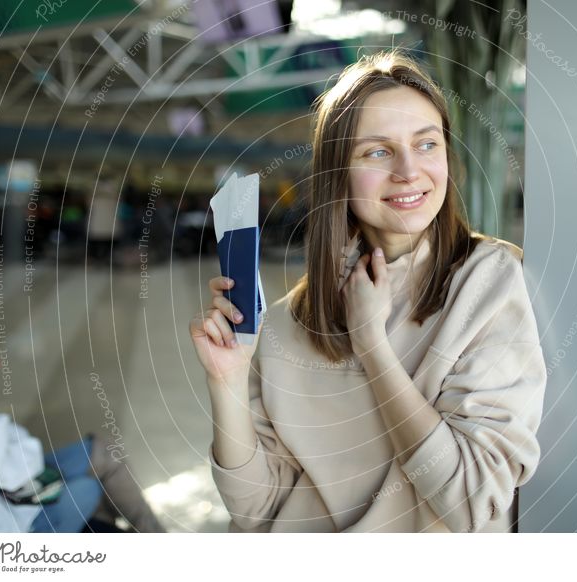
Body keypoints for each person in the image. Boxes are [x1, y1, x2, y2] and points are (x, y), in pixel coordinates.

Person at [190, 49, 547, 533]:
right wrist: (226, 380)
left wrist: (371, 344)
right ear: (337, 172)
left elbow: (470, 502)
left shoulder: (487, 280)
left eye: (427, 144)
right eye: (377, 151)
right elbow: (255, 510)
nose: (408, 170)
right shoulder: (285, 321)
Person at [0, 352, 165, 533]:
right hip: (7, 528)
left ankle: (152, 538)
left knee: (106, 453)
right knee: (91, 487)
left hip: (9, 490)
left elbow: (22, 450)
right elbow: (15, 462)